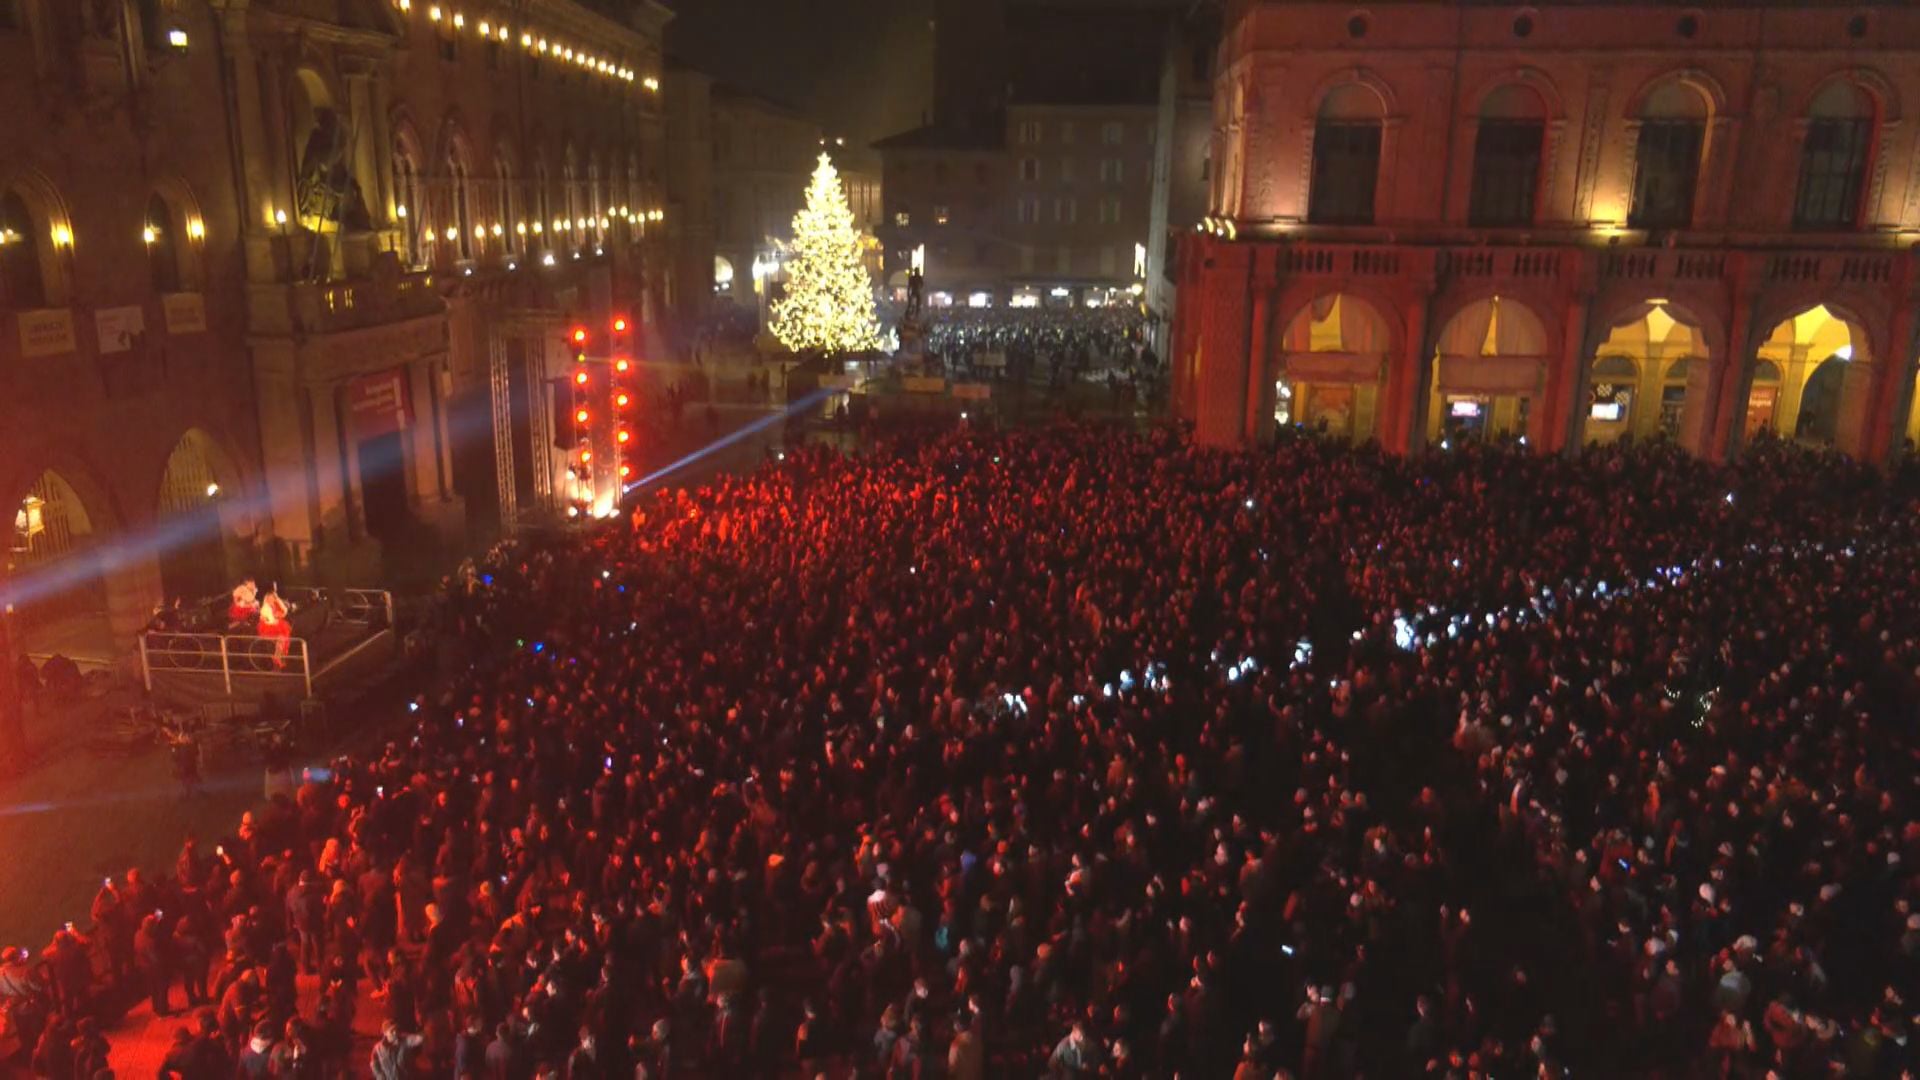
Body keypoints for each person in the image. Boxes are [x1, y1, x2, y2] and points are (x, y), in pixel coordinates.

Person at [256, 584, 292, 669]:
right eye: (271, 597)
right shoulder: (266, 607)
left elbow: (284, 611)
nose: (273, 599)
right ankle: (277, 657)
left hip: (275, 624)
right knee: (281, 636)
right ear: (267, 598)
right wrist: (277, 617)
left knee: (284, 636)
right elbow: (271, 621)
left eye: (274, 597)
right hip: (267, 626)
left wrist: (278, 599)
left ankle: (279, 656)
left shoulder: (274, 604)